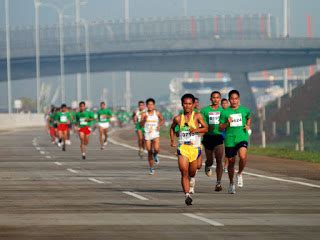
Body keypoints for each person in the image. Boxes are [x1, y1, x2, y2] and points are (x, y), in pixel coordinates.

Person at [170, 93, 208, 205]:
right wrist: (172, 140)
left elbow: (206, 128)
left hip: (195, 148)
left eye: (190, 104)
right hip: (183, 148)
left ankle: (192, 179)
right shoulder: (178, 118)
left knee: (192, 171)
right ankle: (187, 195)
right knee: (183, 171)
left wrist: (196, 130)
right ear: (182, 105)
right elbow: (172, 129)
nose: (187, 106)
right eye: (185, 104)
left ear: (193, 105)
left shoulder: (197, 116)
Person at [219, 90, 251, 194]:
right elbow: (220, 127)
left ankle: (240, 173)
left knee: (242, 156)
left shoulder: (245, 110)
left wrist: (248, 125)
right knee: (231, 162)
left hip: (242, 136)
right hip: (230, 139)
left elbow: (249, 117)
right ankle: (231, 183)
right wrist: (227, 124)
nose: (234, 101)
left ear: (239, 99)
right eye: (232, 99)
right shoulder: (225, 112)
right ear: (229, 100)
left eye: (236, 98)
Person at [201, 91, 225, 191]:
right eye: (213, 97)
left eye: (217, 97)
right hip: (208, 137)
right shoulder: (205, 110)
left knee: (219, 160)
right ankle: (207, 164)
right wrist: (207, 127)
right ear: (211, 99)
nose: (215, 99)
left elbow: (226, 123)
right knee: (210, 160)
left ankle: (218, 183)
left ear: (220, 99)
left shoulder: (223, 110)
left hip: (219, 137)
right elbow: (202, 124)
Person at [140, 98, 164, 175]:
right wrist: (144, 120)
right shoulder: (144, 114)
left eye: (152, 104)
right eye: (149, 104)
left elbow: (162, 120)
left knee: (156, 149)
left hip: (155, 133)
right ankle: (151, 167)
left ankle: (156, 155)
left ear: (154, 105)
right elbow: (140, 125)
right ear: (146, 105)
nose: (150, 106)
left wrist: (159, 125)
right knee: (149, 151)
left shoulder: (157, 113)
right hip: (147, 134)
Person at [221, 98, 229, 173]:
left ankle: (225, 166)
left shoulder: (231, 112)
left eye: (226, 103)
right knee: (219, 149)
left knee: (228, 150)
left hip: (228, 133)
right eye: (223, 103)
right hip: (220, 132)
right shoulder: (220, 112)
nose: (224, 105)